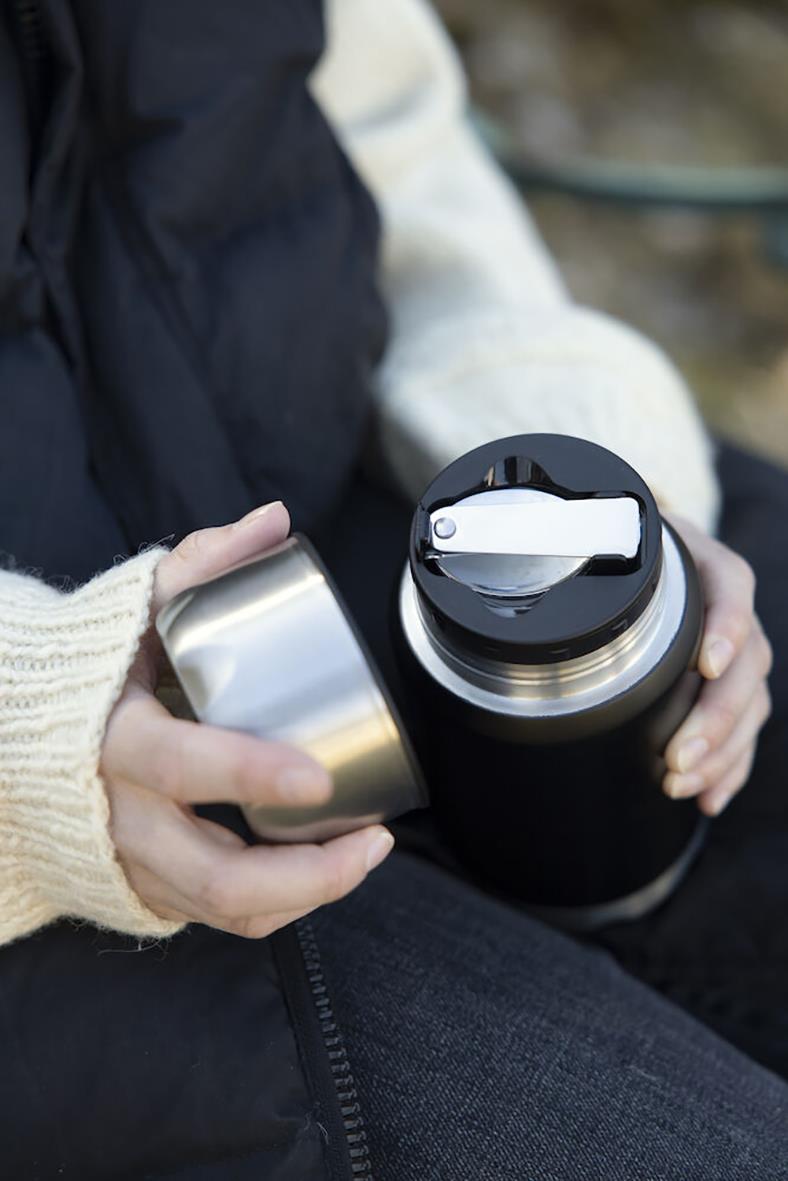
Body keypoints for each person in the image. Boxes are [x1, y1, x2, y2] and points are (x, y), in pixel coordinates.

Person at [0, 1, 785, 1178]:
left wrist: (564, 438)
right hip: (53, 825)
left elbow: (386, 128)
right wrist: (32, 744)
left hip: (379, 485)